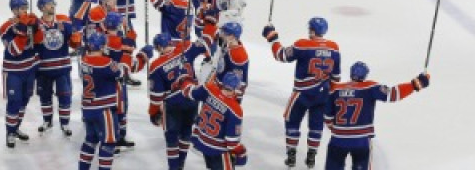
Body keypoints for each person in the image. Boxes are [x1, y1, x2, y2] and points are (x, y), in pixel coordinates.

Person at [262, 17, 341, 169]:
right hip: (322, 94)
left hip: (301, 94)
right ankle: (311, 156)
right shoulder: (334, 48)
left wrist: (272, 37)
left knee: (292, 121)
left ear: (312, 30)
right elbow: (336, 77)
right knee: (316, 125)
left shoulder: (303, 45)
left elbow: (281, 55)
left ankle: (291, 155)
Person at [323, 62, 430, 170]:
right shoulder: (369, 87)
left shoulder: (335, 89)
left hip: (338, 140)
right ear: (365, 75)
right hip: (361, 141)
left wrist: (338, 130)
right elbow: (393, 94)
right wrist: (415, 84)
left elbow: (328, 117)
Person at [148, 32, 209, 170]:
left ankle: (174, 167)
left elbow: (156, 96)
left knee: (171, 138)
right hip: (192, 99)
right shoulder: (185, 49)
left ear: (158, 47)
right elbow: (204, 44)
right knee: (186, 133)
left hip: (173, 103)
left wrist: (154, 112)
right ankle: (181, 164)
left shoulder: (156, 65)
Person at [33, 0, 81, 135]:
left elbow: (73, 44)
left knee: (65, 95)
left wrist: (76, 38)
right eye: (49, 5)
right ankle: (47, 121)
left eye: (53, 4)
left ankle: (65, 124)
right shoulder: (36, 26)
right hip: (43, 68)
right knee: (45, 96)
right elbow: (32, 46)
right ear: (42, 8)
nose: (52, 6)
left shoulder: (63, 23)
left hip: (62, 68)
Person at [104, 12, 151, 152]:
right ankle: (115, 139)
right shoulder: (118, 41)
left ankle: (120, 137)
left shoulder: (103, 38)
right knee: (117, 110)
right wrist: (144, 55)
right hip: (115, 82)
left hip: (110, 80)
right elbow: (131, 60)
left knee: (120, 109)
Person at [181, 72, 247, 169]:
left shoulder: (209, 88)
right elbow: (232, 143)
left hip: (202, 142)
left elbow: (190, 92)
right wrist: (242, 154)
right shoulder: (235, 110)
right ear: (235, 88)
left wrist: (185, 81)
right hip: (218, 150)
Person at [78, 31, 122, 170]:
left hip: (88, 108)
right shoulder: (106, 63)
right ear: (102, 46)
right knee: (108, 143)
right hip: (104, 110)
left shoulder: (83, 59)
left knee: (90, 140)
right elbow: (119, 72)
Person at [0, 0, 39, 148]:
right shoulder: (5, 27)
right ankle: (10, 132)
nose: (25, 11)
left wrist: (37, 25)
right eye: (22, 8)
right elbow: (14, 50)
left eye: (25, 8)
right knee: (14, 101)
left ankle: (16, 128)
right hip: (13, 71)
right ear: (14, 10)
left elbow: (38, 42)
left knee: (24, 100)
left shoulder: (29, 22)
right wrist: (23, 29)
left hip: (29, 69)